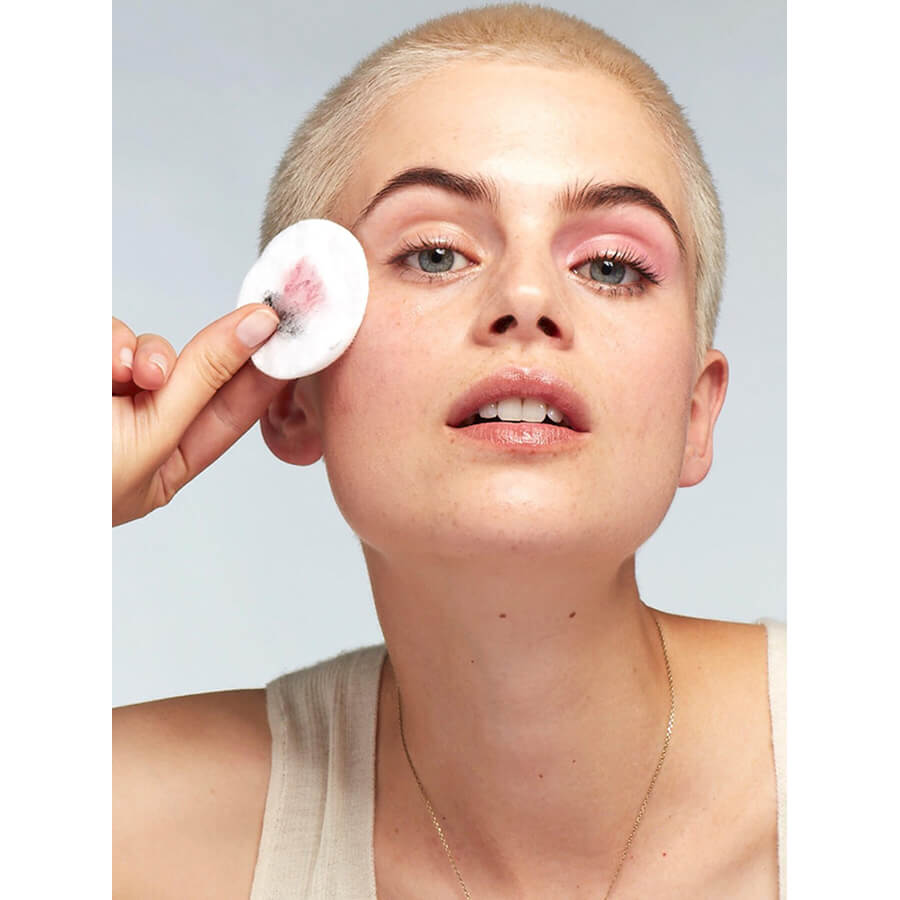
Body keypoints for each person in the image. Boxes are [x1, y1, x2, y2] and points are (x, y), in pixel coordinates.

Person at [112, 4, 785, 898]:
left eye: (610, 266)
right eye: (435, 254)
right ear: (293, 394)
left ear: (695, 416)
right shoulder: (126, 832)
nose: (527, 297)